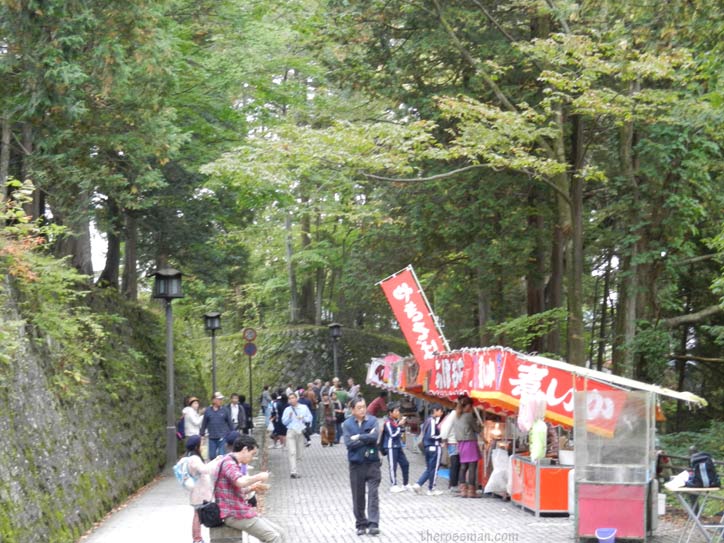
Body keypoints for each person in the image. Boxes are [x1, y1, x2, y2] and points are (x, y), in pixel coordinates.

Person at [215, 434, 284, 542]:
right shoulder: (229, 463)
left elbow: (235, 489)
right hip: (234, 514)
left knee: (280, 533)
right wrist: (258, 476)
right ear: (245, 449)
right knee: (274, 537)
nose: (252, 458)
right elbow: (240, 482)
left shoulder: (231, 461)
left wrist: (252, 488)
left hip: (239, 511)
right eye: (252, 454)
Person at [343, 397, 381, 536]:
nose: (362, 410)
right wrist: (366, 437)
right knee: (358, 495)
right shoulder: (347, 424)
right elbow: (349, 444)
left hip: (372, 463)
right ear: (352, 410)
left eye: (364, 407)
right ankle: (360, 523)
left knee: (373, 494)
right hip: (356, 464)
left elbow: (375, 437)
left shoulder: (372, 421)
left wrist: (358, 437)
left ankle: (373, 523)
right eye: (359, 407)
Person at [185, 434, 223, 543]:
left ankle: (197, 538)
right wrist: (216, 462)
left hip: (198, 492)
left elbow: (204, 468)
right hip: (199, 492)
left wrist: (215, 460)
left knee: (198, 515)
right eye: (201, 444)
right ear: (197, 446)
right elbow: (204, 470)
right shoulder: (194, 458)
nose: (202, 446)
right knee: (197, 516)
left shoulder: (190, 457)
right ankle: (197, 539)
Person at [412, 404, 445, 496]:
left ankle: (418, 484)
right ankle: (431, 488)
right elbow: (431, 435)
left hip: (427, 447)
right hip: (434, 446)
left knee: (429, 468)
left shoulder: (427, 421)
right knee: (434, 469)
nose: (441, 413)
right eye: (440, 411)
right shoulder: (432, 421)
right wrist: (441, 438)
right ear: (435, 410)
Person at [453, 396, 482, 498]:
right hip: (470, 442)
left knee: (463, 466)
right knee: (472, 466)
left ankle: (463, 490)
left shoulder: (456, 416)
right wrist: (481, 426)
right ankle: (471, 491)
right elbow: (477, 429)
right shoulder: (469, 416)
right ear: (469, 406)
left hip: (461, 443)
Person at [380, 402, 410, 492]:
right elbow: (393, 434)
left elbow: (400, 432)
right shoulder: (388, 422)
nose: (398, 413)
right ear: (390, 413)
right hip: (391, 447)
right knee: (393, 466)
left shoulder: (395, 421)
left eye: (398, 411)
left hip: (398, 446)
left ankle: (405, 484)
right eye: (396, 411)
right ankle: (393, 485)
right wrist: (399, 425)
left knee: (405, 463)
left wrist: (401, 426)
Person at [281, 392, 313, 478]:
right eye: (290, 398)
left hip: (300, 431)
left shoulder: (304, 407)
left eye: (293, 398)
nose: (291, 400)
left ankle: (296, 467)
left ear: (296, 398)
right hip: (291, 431)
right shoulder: (287, 410)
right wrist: (289, 417)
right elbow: (284, 422)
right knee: (292, 452)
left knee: (300, 454)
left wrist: (303, 417)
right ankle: (293, 471)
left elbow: (310, 418)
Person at [200, 391, 233, 460]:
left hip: (222, 437)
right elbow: (204, 423)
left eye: (221, 399)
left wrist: (232, 434)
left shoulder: (225, 410)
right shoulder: (208, 411)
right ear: (214, 400)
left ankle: (221, 470)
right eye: (219, 399)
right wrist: (201, 434)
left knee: (222, 457)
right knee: (212, 456)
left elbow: (230, 424)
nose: (221, 401)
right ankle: (214, 470)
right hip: (212, 437)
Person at [440, 399, 462, 494]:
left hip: (455, 442)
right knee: (455, 464)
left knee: (456, 464)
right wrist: (444, 439)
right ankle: (453, 485)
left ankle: (453, 484)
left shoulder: (455, 414)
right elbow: (445, 428)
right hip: (453, 442)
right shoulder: (453, 414)